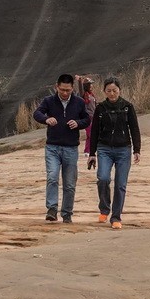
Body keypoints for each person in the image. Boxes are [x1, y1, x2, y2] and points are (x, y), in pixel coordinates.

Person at [33, 74, 90, 223]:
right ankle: (52, 209)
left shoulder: (78, 102)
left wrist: (78, 123)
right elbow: (37, 113)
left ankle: (67, 213)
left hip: (71, 148)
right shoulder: (49, 101)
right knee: (52, 177)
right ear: (56, 86)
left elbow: (86, 119)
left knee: (70, 183)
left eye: (68, 90)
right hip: (52, 147)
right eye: (62, 90)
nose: (65, 93)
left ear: (72, 88)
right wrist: (46, 119)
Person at [88, 77, 141, 229]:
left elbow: (134, 129)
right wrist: (92, 153)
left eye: (115, 91)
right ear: (104, 91)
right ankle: (104, 208)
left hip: (124, 149)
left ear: (120, 91)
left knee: (120, 184)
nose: (112, 94)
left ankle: (116, 216)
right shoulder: (100, 108)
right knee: (103, 178)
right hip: (104, 148)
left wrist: (137, 150)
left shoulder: (127, 107)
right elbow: (95, 131)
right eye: (109, 91)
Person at [77, 75, 97, 165]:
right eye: (90, 84)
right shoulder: (83, 95)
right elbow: (81, 90)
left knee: (93, 134)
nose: (91, 86)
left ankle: (88, 150)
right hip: (87, 118)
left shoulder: (92, 95)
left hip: (94, 117)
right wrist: (79, 82)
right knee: (90, 134)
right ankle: (88, 151)